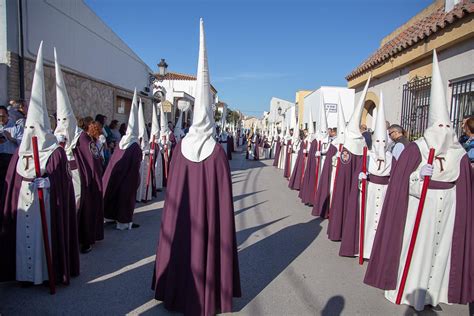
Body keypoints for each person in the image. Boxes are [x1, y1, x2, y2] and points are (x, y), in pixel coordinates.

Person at [365, 50, 473, 311]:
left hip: (447, 209)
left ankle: (432, 294)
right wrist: (417, 179)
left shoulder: (458, 152)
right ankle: (409, 291)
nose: (444, 132)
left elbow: (465, 188)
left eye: (448, 127)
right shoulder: (417, 149)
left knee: (440, 250)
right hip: (419, 209)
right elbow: (401, 183)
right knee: (418, 250)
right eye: (440, 127)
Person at [152, 19, 241, 315]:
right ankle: (205, 295)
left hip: (182, 220)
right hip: (205, 222)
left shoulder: (180, 148)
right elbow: (223, 204)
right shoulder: (216, 152)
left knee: (179, 241)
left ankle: (176, 291)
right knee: (207, 240)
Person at [0, 41, 79, 284]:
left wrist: (48, 182)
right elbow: (12, 182)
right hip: (27, 204)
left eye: (37, 127)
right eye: (29, 127)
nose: (33, 131)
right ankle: (23, 274)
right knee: (25, 240)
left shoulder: (54, 151)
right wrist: (26, 185)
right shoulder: (19, 151)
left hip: (47, 207)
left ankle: (47, 274)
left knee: (44, 241)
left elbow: (62, 181)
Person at [53, 48, 104, 253]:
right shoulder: (54, 138)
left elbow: (93, 162)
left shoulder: (82, 138)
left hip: (78, 181)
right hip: (59, 180)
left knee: (79, 210)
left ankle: (83, 240)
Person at [339, 91, 393, 259]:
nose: (380, 145)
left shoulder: (393, 158)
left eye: (383, 141)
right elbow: (358, 173)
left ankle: (379, 251)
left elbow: (397, 177)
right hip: (369, 194)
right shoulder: (367, 157)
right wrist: (361, 178)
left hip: (384, 193)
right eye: (377, 141)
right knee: (368, 222)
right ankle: (364, 248)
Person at [326, 76, 371, 242]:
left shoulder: (362, 143)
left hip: (358, 181)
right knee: (344, 200)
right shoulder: (351, 144)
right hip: (346, 181)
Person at [102, 89, 142, 230]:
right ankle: (124, 222)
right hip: (127, 180)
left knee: (114, 196)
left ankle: (110, 216)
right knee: (125, 200)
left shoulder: (121, 143)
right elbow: (135, 166)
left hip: (115, 177)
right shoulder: (135, 147)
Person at [311, 95, 342, 214]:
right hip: (322, 161)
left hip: (330, 164)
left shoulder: (335, 142)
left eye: (328, 130)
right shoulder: (322, 140)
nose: (326, 132)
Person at [0, 105, 23, 196]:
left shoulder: (16, 127)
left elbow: (22, 144)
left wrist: (11, 138)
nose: (1, 119)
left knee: (10, 182)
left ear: (7, 115)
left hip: (11, 158)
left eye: (3, 116)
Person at [135, 98, 153, 202]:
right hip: (140, 162)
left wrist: (149, 151)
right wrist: (146, 152)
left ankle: (145, 195)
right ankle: (138, 196)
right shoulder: (134, 140)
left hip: (145, 161)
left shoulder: (145, 136)